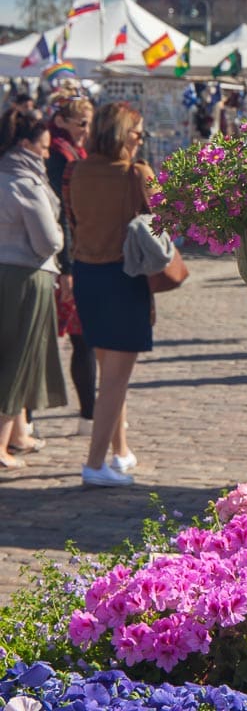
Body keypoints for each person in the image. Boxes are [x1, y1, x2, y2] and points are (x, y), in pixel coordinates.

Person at [66, 101, 155, 487]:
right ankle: (95, 464)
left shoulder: (75, 170)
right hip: (123, 275)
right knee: (116, 380)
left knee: (110, 371)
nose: (141, 139)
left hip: (87, 273)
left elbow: (72, 218)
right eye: (138, 132)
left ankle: (119, 452)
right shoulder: (136, 174)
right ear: (124, 135)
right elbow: (167, 218)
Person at [0, 109, 67, 468]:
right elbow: (48, 240)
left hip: (8, 271)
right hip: (27, 275)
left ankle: (19, 432)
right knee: (19, 357)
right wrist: (58, 234)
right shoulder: (25, 181)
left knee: (19, 355)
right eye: (42, 148)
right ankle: (1, 444)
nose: (46, 155)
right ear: (25, 144)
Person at [46, 96, 97, 436]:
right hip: (64, 259)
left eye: (88, 123)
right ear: (62, 121)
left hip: (76, 253)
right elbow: (60, 213)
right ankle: (25, 420)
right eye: (81, 123)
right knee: (53, 339)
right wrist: (66, 266)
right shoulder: (58, 155)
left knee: (83, 337)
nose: (86, 130)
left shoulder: (77, 153)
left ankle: (87, 416)